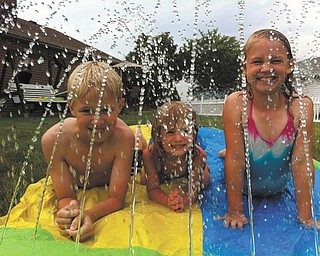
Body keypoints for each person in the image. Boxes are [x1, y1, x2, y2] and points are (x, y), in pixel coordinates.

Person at [217, 29, 319, 229]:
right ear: (244, 67)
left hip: (278, 188)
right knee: (233, 154)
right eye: (257, 62)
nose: (266, 68)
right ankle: (226, 151)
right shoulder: (237, 104)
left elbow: (301, 162)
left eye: (276, 61)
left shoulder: (301, 107)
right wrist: (235, 210)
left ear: (290, 66)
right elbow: (237, 159)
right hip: (246, 188)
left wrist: (305, 217)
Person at [41, 61, 135, 241]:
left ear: (120, 106)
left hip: (128, 141)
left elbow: (116, 197)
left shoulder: (123, 138)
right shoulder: (55, 140)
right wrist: (71, 211)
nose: (98, 121)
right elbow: (66, 195)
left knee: (139, 143)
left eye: (106, 110)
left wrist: (90, 214)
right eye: (86, 111)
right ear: (71, 108)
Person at [142, 101, 210, 212]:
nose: (178, 138)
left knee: (205, 180)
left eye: (185, 131)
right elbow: (152, 190)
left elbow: (193, 191)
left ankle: (204, 168)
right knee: (144, 179)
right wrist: (168, 200)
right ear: (158, 136)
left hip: (187, 171)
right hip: (161, 171)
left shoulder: (198, 155)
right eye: (170, 132)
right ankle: (141, 142)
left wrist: (183, 200)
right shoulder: (150, 155)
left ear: (193, 134)